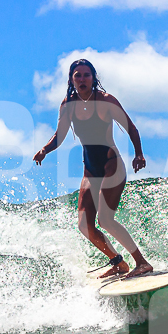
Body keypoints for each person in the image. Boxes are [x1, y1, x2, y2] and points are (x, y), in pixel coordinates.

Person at [33, 58, 153, 279]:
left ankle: (142, 263)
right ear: (71, 80)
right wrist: (44, 150)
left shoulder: (106, 100)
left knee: (105, 220)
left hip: (111, 165)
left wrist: (139, 154)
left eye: (86, 75)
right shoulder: (68, 105)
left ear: (93, 78)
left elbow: (131, 127)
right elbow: (60, 135)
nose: (82, 79)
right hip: (90, 170)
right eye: (77, 75)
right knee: (84, 225)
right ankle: (118, 263)